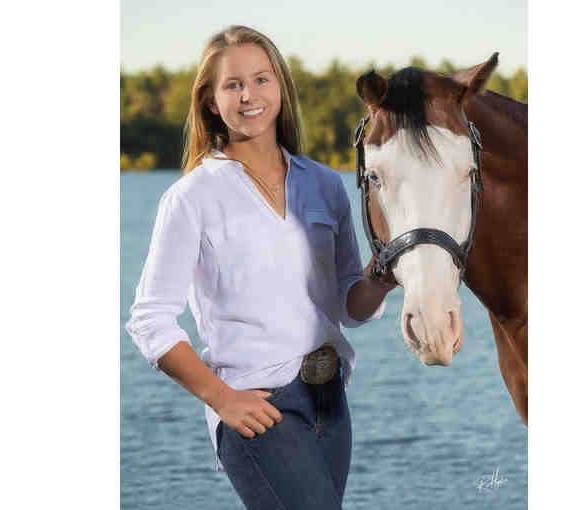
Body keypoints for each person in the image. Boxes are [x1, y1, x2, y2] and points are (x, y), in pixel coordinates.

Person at [125, 25, 397, 510]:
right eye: (233, 85)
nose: (249, 95)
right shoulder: (192, 197)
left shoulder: (325, 185)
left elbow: (349, 305)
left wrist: (382, 277)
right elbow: (149, 320)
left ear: (281, 88)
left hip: (331, 403)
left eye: (261, 79)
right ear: (211, 101)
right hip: (257, 407)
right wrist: (221, 398)